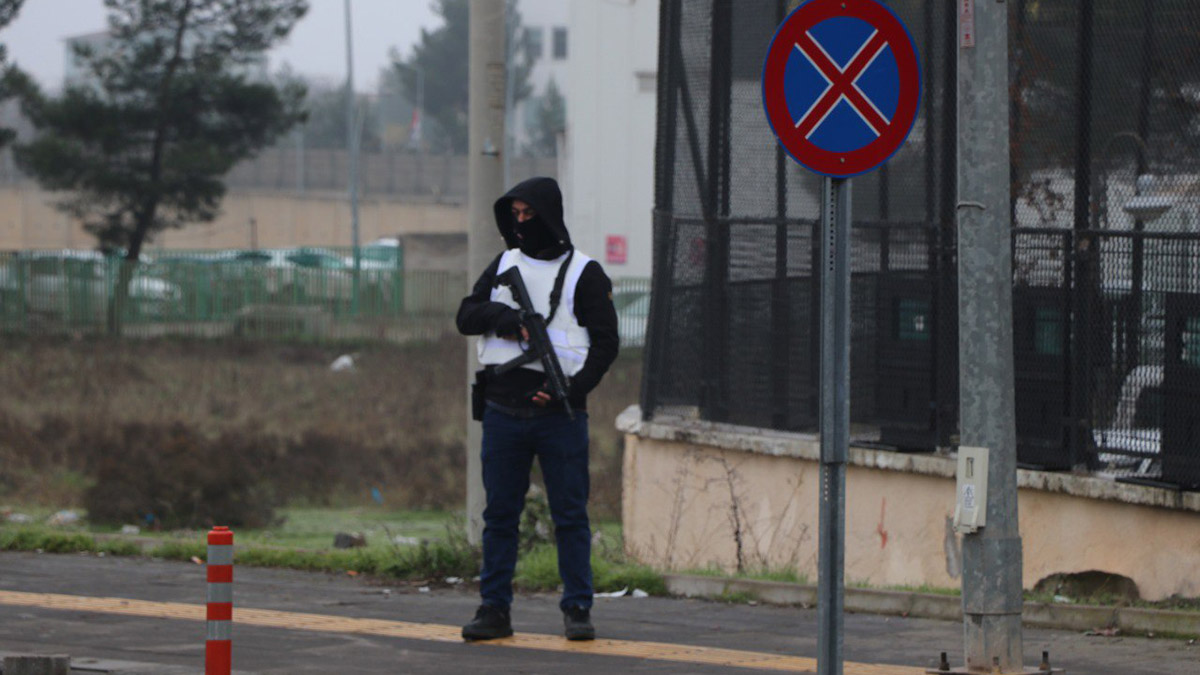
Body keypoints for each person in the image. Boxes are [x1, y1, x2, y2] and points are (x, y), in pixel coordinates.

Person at [456, 176, 619, 641]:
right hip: (503, 411)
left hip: (560, 415)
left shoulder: (585, 273)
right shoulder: (504, 263)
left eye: (530, 215)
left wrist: (571, 387)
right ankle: (494, 610)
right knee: (499, 517)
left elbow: (606, 344)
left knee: (570, 516)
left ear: (550, 216)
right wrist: (508, 321)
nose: (523, 224)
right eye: (516, 216)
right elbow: (467, 315)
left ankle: (577, 609)